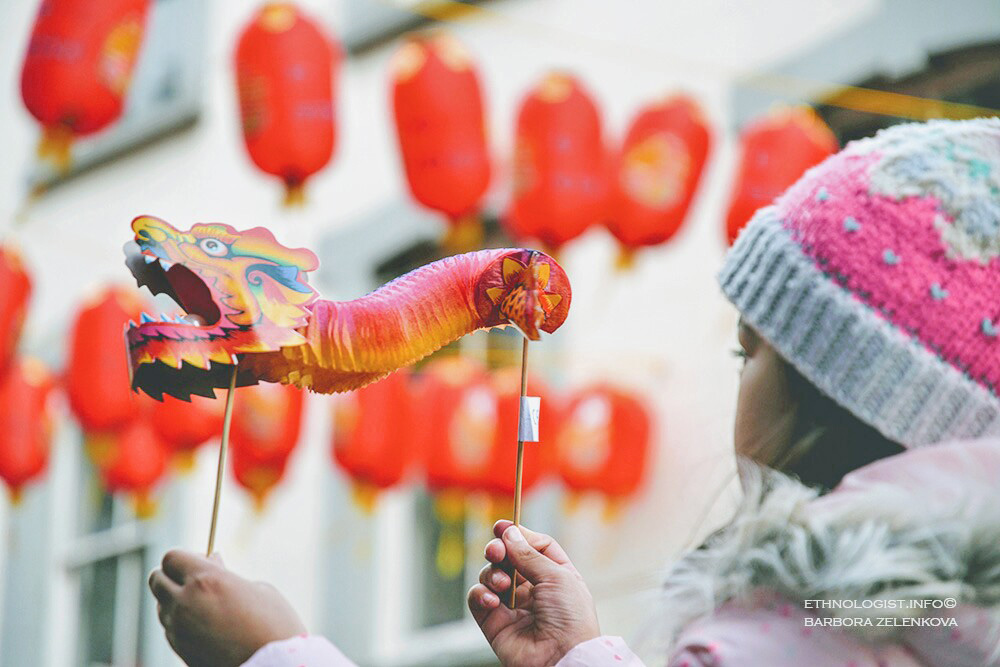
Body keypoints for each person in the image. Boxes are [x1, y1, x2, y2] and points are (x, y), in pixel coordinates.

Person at [149, 117, 1000, 666]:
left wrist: (270, 657)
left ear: (835, 395)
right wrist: (578, 655)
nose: (737, 381)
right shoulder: (913, 617)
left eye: (751, 355)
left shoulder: (806, 633)